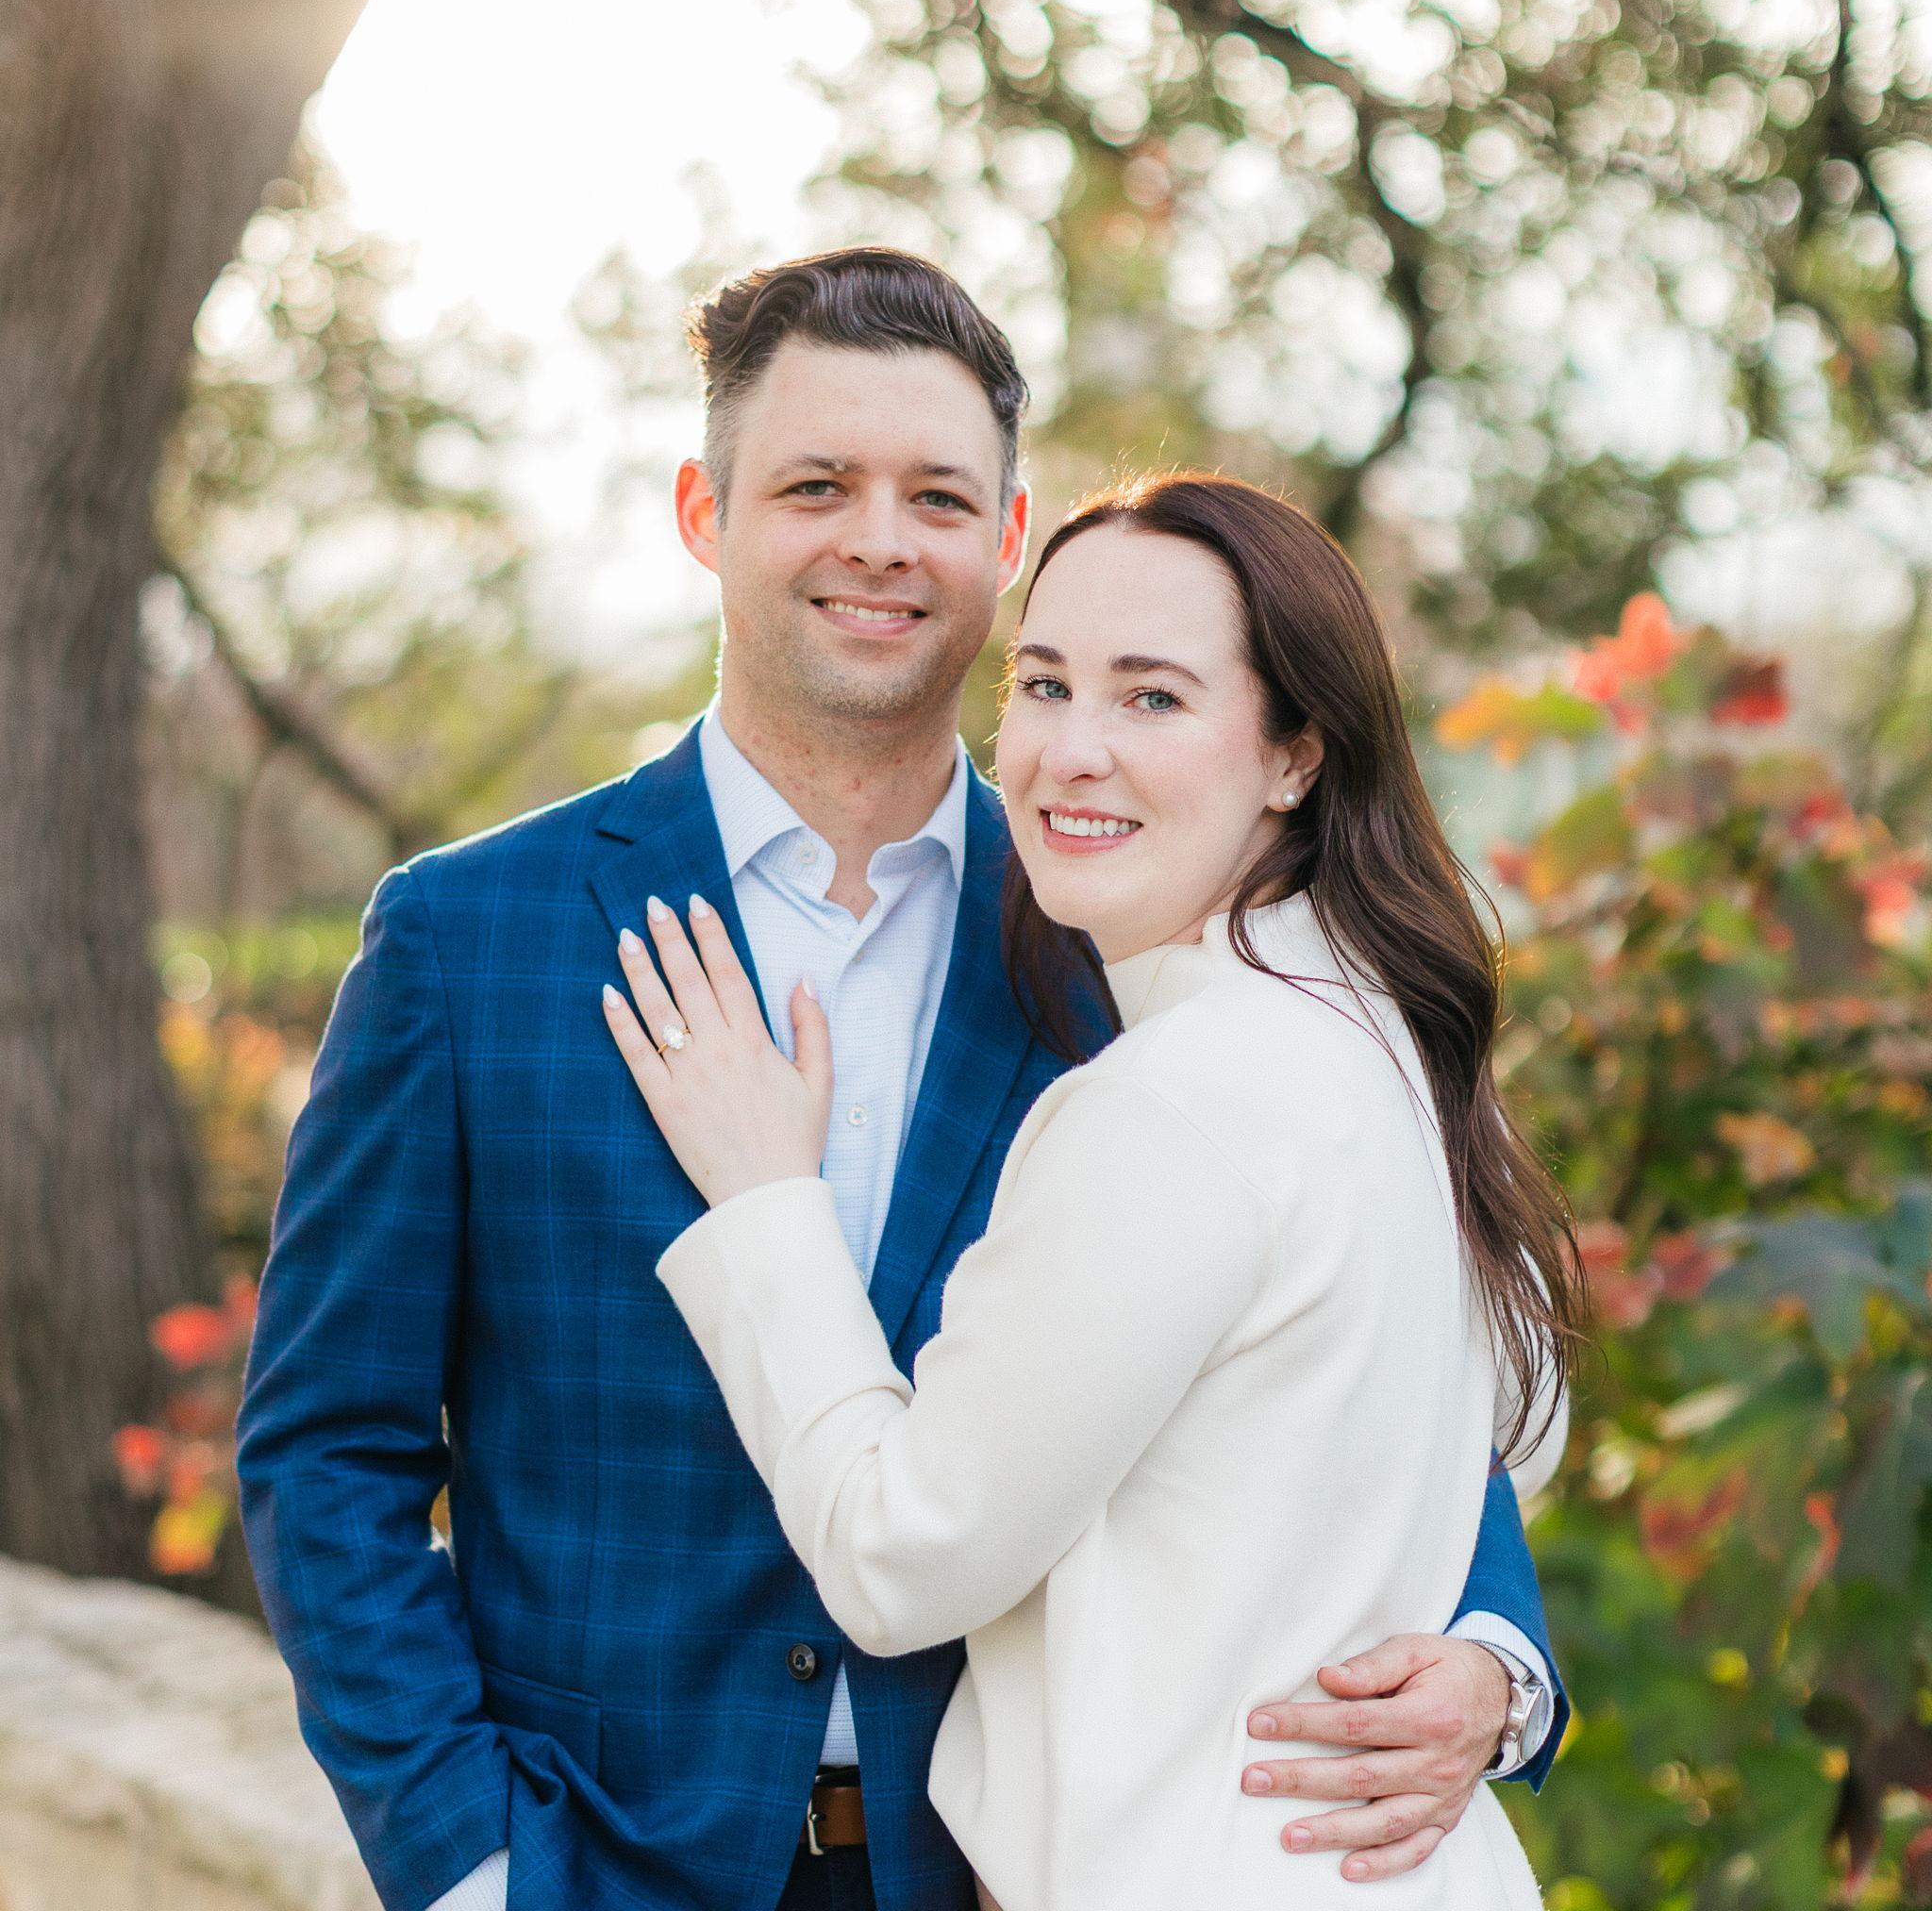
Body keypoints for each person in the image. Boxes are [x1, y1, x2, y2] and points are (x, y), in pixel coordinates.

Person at [238, 251, 1571, 1911]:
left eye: (938, 496)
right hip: (601, 1863)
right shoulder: (471, 939)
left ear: (1007, 541)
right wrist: (470, 1864)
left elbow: (1384, 1354)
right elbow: (328, 1449)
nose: (880, 539)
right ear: (705, 513)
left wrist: (1496, 1661)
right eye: (817, 485)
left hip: (997, 1877)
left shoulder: (1132, 933)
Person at [601, 468, 1586, 1908]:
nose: (1071, 751)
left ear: (1296, 757)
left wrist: (763, 1203)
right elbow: (1523, 1430)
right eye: (1045, 685)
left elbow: (899, 1561)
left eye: (1153, 698)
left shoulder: (1180, 1097)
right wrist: (1480, 1656)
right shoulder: (1392, 1040)